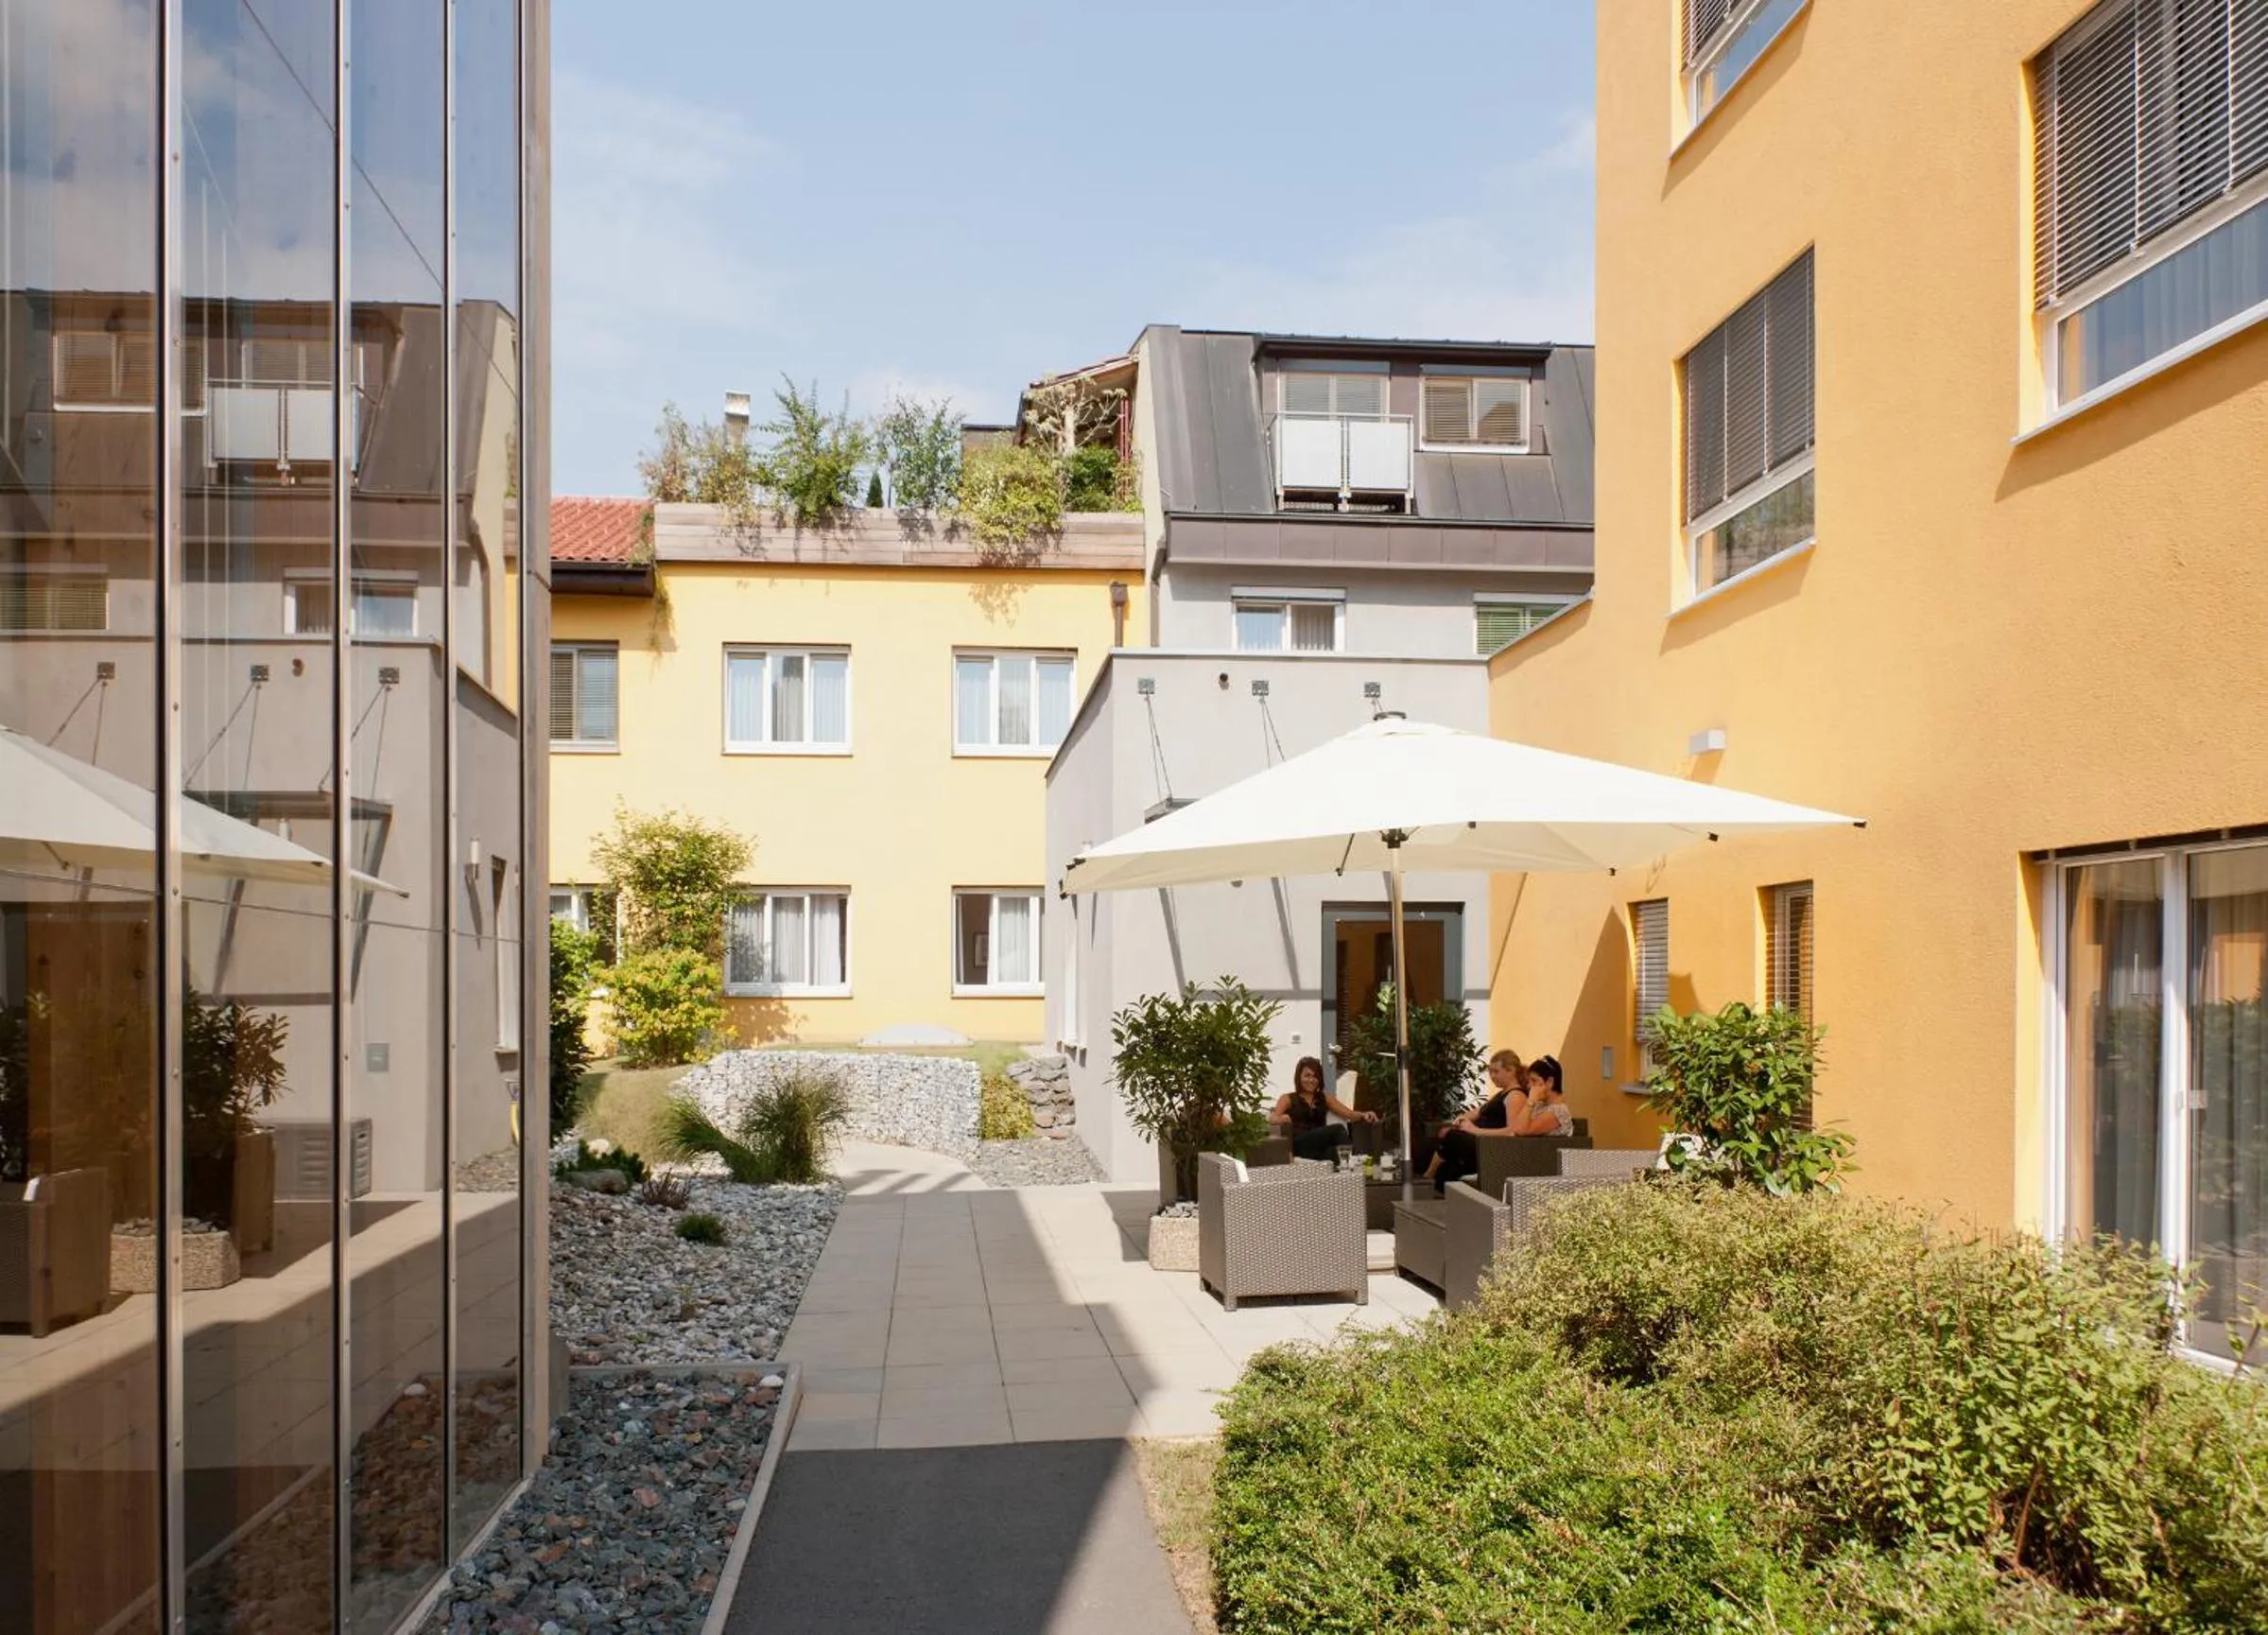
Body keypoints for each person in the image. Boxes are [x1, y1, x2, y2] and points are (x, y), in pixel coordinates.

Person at [1420, 1050, 1526, 1192]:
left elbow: (1512, 1132)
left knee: (1452, 1137)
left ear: (1511, 1071)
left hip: (1489, 1147)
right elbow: (1476, 1112)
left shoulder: (1516, 1097)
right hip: (1477, 1141)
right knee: (1430, 1150)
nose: (1492, 1076)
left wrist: (1474, 1131)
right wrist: (1457, 1123)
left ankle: (1428, 1176)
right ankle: (1434, 1190)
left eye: (1496, 1071)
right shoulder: (1501, 1094)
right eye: (1490, 1072)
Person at [1270, 1055, 1377, 1161]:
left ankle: (1353, 1169)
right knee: (1338, 1129)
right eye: (1307, 1076)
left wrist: (1363, 1115)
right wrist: (1280, 1118)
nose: (1311, 1080)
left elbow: (1349, 1114)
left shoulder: (1325, 1098)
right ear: (1299, 1077)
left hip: (1319, 1148)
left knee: (1337, 1152)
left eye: (1315, 1076)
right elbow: (1272, 1118)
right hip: (1300, 1146)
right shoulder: (1288, 1098)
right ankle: (1356, 1162)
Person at [1510, 1055, 1573, 1137]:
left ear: (1550, 1081)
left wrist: (1530, 1101)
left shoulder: (1558, 1112)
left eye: (1534, 1080)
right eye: (1529, 1081)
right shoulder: (1539, 1105)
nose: (1529, 1086)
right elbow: (1514, 1128)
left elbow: (1520, 1130)